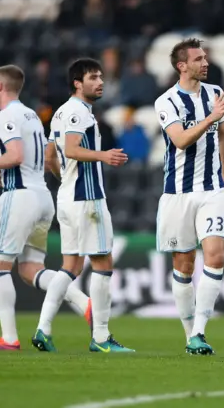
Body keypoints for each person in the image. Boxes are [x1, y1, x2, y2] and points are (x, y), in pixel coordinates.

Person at [0, 65, 91, 350]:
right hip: (41, 197)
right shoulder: (32, 115)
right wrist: (6, 175)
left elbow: (15, 155)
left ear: (0, 86)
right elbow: (33, 159)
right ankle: (84, 302)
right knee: (30, 269)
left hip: (20, 199)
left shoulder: (6, 115)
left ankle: (9, 337)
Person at [31, 58, 134, 353]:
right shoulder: (78, 113)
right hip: (87, 198)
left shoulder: (61, 112)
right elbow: (72, 148)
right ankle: (101, 338)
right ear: (78, 83)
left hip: (66, 197)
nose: (100, 82)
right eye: (93, 77)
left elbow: (51, 155)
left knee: (70, 266)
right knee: (103, 264)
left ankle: (43, 329)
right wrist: (104, 156)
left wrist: (64, 178)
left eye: (101, 77)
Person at [154, 38, 224, 355]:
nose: (205, 62)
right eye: (198, 59)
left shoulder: (215, 94)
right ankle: (190, 337)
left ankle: (200, 332)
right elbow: (181, 140)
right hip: (178, 194)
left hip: (212, 191)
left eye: (206, 57)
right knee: (184, 265)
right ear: (181, 65)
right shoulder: (166, 102)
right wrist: (211, 118)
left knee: (216, 256)